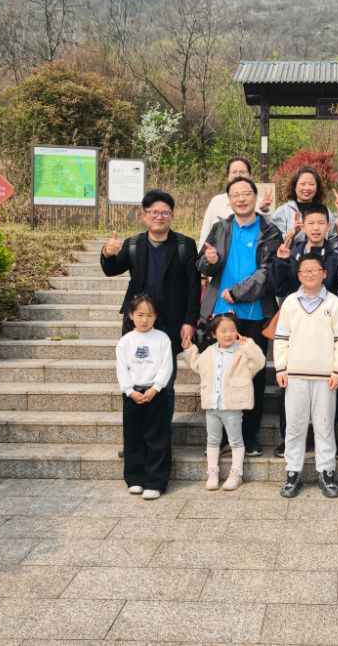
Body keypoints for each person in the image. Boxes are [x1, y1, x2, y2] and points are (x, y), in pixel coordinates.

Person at [198, 176, 283, 457]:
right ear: (229, 200)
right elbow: (202, 264)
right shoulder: (220, 228)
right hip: (221, 315)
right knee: (221, 373)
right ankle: (223, 437)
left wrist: (237, 292)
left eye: (246, 193)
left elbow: (267, 271)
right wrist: (209, 262)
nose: (241, 199)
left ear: (256, 197)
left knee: (252, 375)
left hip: (255, 313)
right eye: (235, 195)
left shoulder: (269, 231)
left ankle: (250, 436)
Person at [268, 201, 338, 458]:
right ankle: (288, 439)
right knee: (289, 385)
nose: (316, 227)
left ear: (329, 226)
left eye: (321, 222)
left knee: (328, 388)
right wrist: (281, 261)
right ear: (302, 225)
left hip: (324, 327)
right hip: (297, 327)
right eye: (311, 223)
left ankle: (330, 437)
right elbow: (279, 288)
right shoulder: (291, 252)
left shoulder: (334, 258)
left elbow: (337, 290)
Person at [274, 254, 338, 499]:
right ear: (298, 275)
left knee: (324, 425)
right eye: (304, 270)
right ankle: (292, 473)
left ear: (324, 273)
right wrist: (280, 368)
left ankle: (327, 473)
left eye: (314, 269)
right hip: (295, 374)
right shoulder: (290, 302)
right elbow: (281, 338)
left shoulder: (334, 303)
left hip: (325, 376)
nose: (309, 274)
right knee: (295, 426)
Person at [100, 189, 201, 347]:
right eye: (154, 212)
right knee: (135, 360)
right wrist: (107, 253)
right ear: (143, 215)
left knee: (168, 362)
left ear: (172, 216)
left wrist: (189, 322)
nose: (159, 217)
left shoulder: (185, 245)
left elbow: (194, 286)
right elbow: (111, 270)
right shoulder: (133, 244)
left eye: (165, 213)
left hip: (172, 320)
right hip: (139, 319)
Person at [182, 312, 266, 492]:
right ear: (214, 334)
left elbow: (259, 362)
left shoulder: (242, 352)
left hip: (232, 405)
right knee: (212, 440)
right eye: (223, 331)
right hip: (212, 404)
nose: (228, 334)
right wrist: (189, 350)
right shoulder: (209, 351)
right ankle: (212, 473)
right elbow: (197, 365)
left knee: (236, 440)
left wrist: (248, 345)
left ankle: (236, 473)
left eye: (232, 330)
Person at [115, 293, 174, 500]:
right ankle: (135, 479)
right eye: (140, 315)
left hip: (155, 394)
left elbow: (166, 366)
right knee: (133, 438)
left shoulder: (162, 338)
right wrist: (129, 391)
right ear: (131, 315)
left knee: (157, 438)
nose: (144, 320)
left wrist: (156, 388)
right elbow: (121, 369)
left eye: (149, 315)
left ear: (156, 316)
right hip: (132, 396)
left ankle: (155, 482)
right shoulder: (125, 341)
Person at [199, 157, 272, 244]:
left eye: (242, 172)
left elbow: (268, 231)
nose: (238, 175)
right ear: (228, 176)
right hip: (221, 251)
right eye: (234, 172)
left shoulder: (259, 202)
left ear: (250, 175)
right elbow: (206, 232)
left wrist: (262, 210)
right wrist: (203, 251)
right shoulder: (217, 201)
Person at [270, 165, 337, 250]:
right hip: (290, 258)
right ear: (294, 186)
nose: (307, 188)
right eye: (302, 184)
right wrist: (294, 232)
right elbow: (272, 241)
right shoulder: (282, 212)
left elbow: (334, 241)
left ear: (317, 187)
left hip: (321, 258)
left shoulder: (325, 212)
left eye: (311, 184)